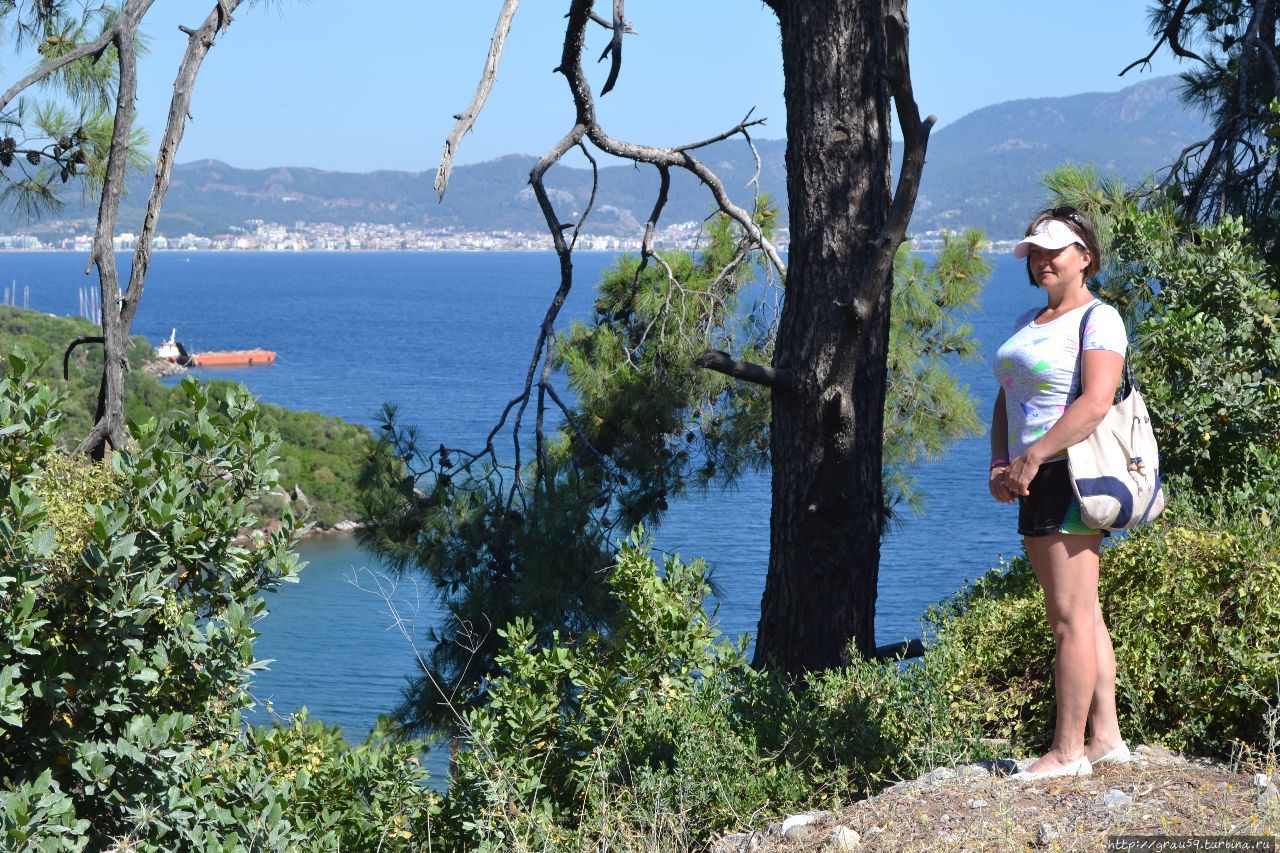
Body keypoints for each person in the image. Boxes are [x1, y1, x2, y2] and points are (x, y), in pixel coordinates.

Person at [989, 207, 1132, 781]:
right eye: (1036, 252)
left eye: (1055, 250)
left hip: (1066, 473)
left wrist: (1035, 455)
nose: (1043, 260)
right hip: (1033, 471)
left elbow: (1096, 401)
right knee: (1084, 613)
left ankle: (1068, 752)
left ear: (1085, 256)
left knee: (1069, 618)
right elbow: (1006, 397)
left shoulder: (1100, 320)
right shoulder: (1032, 319)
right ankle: (1105, 738)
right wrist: (1003, 461)